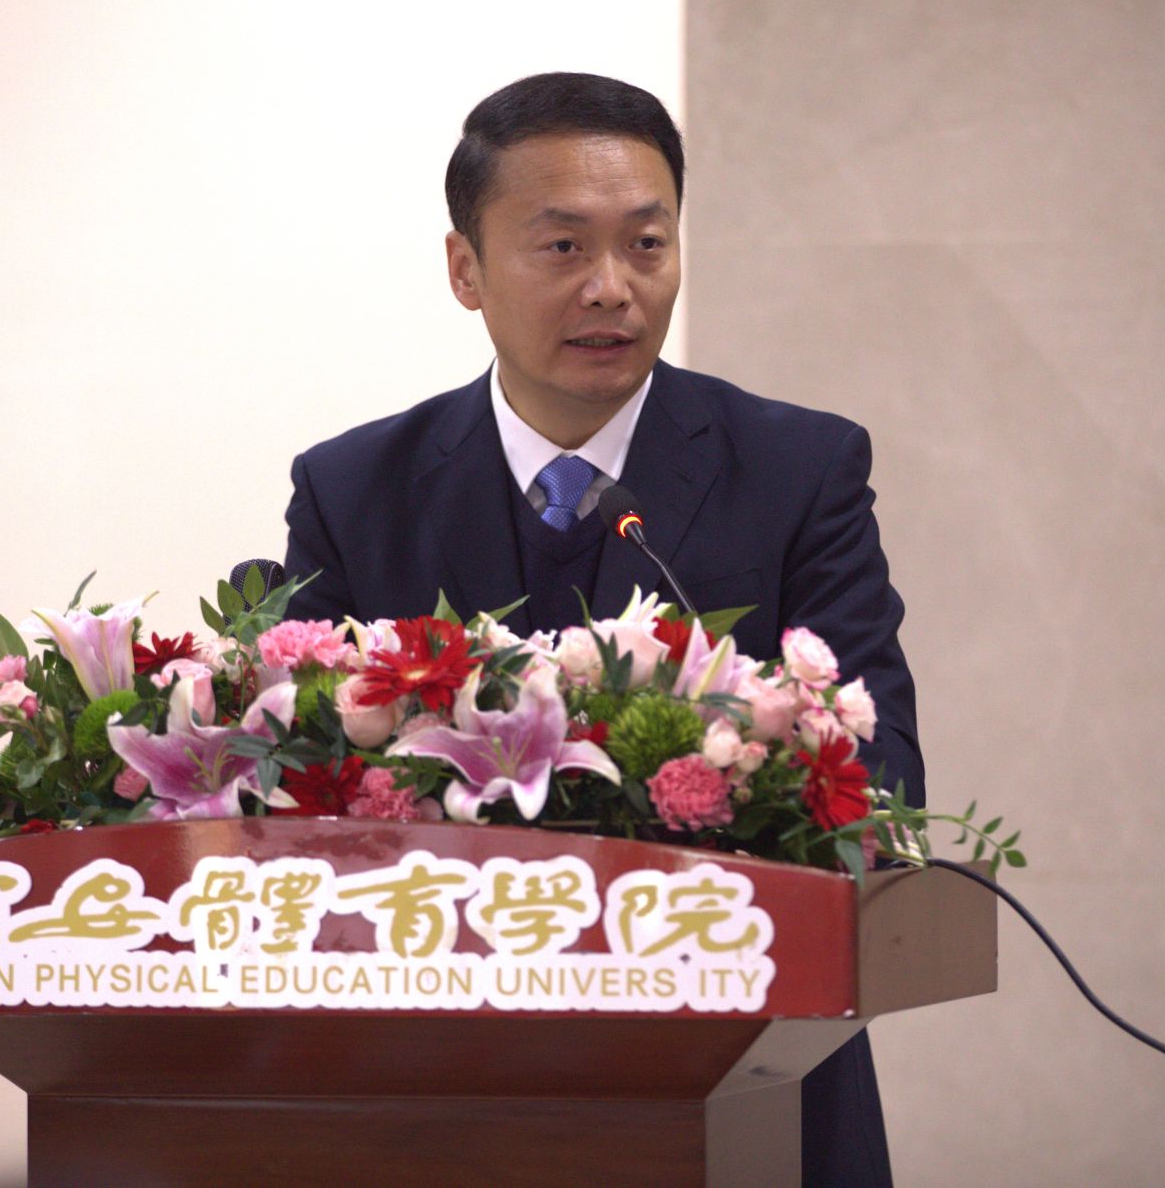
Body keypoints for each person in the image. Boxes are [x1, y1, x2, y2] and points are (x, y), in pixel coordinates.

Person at [281, 71, 923, 1186]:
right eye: (564, 247)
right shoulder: (353, 489)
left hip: (746, 1084)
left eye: (646, 244)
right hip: (438, 1096)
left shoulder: (798, 469)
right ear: (465, 269)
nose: (613, 287)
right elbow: (294, 797)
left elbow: (882, 775)